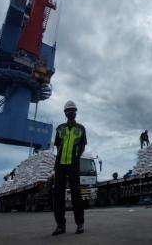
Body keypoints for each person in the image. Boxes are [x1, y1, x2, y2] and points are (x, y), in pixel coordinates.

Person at [52, 100, 87, 236]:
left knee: (76, 195)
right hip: (60, 164)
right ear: (65, 113)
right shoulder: (60, 128)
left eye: (72, 110)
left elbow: (83, 145)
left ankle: (80, 224)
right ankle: (60, 226)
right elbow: (57, 145)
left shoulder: (81, 128)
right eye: (68, 111)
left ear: (75, 112)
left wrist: (76, 156)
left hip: (73, 164)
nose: (70, 112)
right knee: (58, 196)